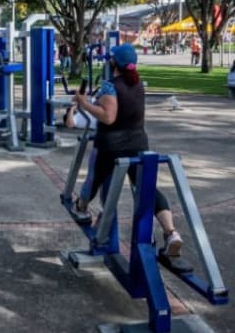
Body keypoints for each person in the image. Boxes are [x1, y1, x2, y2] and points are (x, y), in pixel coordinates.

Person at [72, 44, 186, 261]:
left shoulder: (109, 86)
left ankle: (82, 206)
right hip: (138, 144)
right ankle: (171, 232)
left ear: (113, 62)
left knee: (95, 178)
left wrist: (84, 103)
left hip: (111, 146)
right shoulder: (138, 84)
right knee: (146, 188)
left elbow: (108, 117)